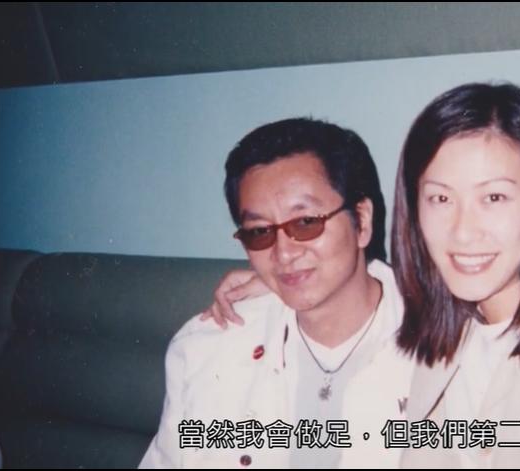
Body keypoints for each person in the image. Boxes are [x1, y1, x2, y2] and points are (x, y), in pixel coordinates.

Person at [205, 83, 520, 468]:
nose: (463, 231)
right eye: (441, 198)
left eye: (494, 197)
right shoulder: (455, 315)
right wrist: (282, 273)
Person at [140, 118, 413, 468]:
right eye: (260, 232)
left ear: (361, 221)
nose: (283, 254)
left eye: (306, 223)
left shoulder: (447, 349)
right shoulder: (205, 350)